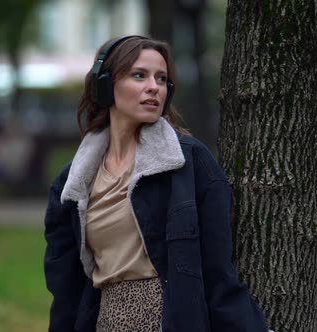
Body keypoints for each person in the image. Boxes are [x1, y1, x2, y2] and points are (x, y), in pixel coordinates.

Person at [44, 35, 268, 331]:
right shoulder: (72, 184)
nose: (154, 87)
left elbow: (218, 273)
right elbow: (66, 289)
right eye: (139, 75)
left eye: (161, 79)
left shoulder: (189, 163)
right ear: (105, 84)